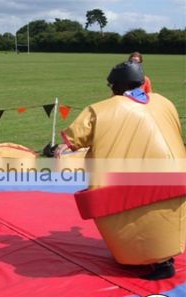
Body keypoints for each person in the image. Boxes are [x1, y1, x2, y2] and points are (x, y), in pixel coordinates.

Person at [56, 61, 186, 280]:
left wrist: (63, 146)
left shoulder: (100, 110)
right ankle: (164, 256)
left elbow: (77, 137)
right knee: (164, 216)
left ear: (115, 86)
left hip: (128, 183)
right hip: (176, 175)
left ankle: (159, 262)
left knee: (133, 217)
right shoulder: (164, 102)